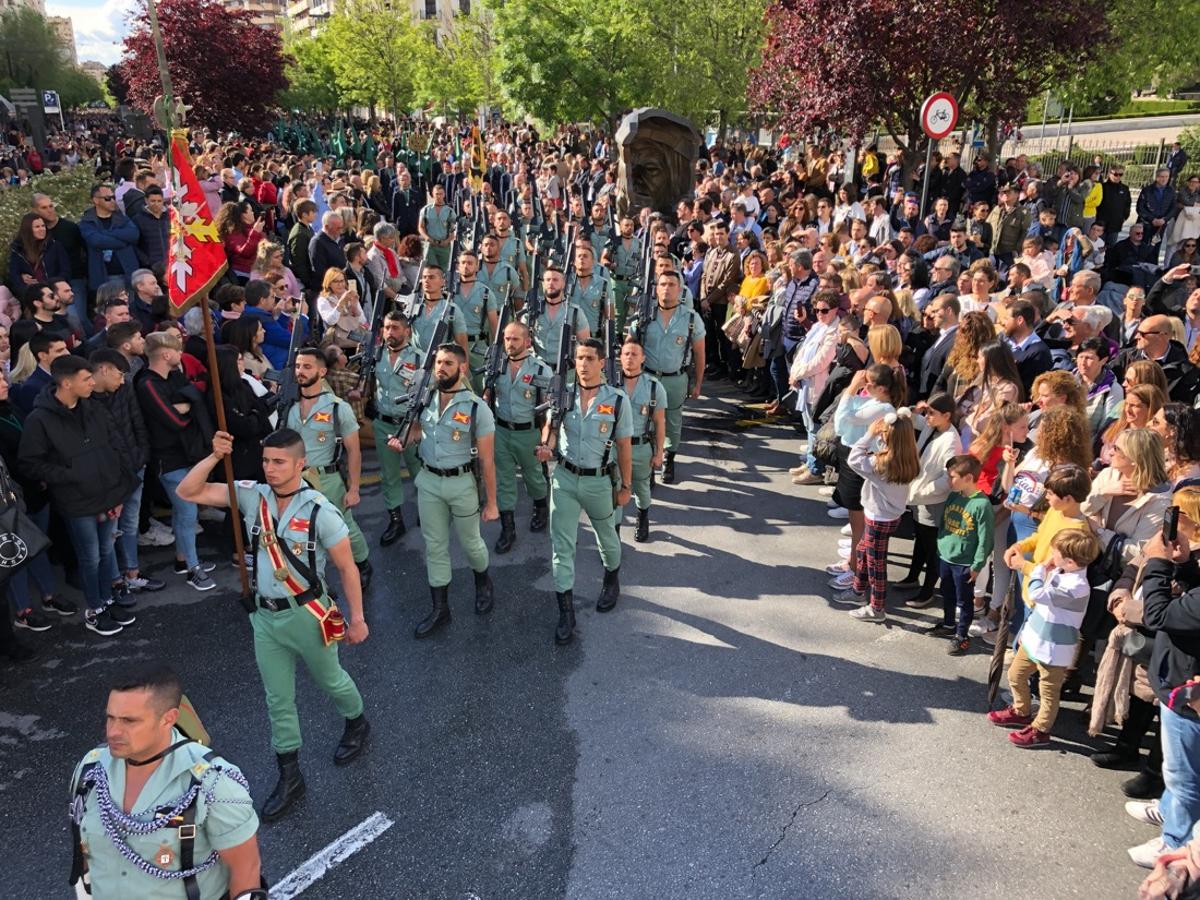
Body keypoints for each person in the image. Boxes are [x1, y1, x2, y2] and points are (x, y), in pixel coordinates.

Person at [176, 429, 370, 822]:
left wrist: (359, 618)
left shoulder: (320, 510)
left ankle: (357, 722)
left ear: (301, 464)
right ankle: (290, 775)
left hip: (308, 613)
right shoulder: (253, 496)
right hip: (265, 618)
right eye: (266, 461)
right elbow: (188, 491)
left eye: (280, 462)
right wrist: (215, 456)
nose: (270, 468)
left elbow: (348, 568)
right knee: (277, 699)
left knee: (331, 680)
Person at [68, 664, 263, 899]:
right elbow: (88, 858)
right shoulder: (90, 769)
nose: (113, 732)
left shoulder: (213, 784)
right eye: (111, 717)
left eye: (129, 721)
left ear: (168, 718)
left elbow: (247, 870)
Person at [19, 355, 136, 636]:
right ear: (66, 383)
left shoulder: (94, 408)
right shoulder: (40, 420)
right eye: (86, 379)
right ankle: (94, 609)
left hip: (108, 494)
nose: (92, 382)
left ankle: (107, 600)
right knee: (91, 557)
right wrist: (69, 475)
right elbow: (29, 463)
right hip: (76, 500)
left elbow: (115, 448)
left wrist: (119, 490)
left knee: (107, 552)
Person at [389, 343, 498, 638]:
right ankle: (441, 610)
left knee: (471, 544)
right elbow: (419, 432)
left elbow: (487, 460)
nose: (441, 368)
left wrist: (492, 503)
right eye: (438, 362)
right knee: (435, 547)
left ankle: (483, 581)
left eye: (448, 363)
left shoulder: (477, 408)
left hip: (462, 484)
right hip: (428, 481)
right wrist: (404, 439)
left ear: (462, 368)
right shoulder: (425, 399)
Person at [535, 338, 632, 644]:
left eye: (590, 358)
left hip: (599, 481)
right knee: (561, 546)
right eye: (579, 358)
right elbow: (550, 431)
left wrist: (626, 486)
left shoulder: (617, 401)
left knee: (607, 536)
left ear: (602, 363)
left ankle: (611, 579)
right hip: (564, 478)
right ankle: (566, 612)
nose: (584, 364)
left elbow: (624, 447)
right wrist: (546, 448)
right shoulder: (561, 394)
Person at [991, 527, 1101, 748]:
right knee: (1015, 674)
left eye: (1055, 551)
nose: (1051, 553)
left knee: (1048, 692)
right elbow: (1040, 608)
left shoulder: (1077, 587)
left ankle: (1041, 730)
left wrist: (1040, 568)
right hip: (1034, 638)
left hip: (1054, 649)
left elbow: (1037, 594)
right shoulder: (1062, 572)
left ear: (1069, 561)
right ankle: (1021, 710)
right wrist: (1025, 631)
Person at [135, 330, 217, 591]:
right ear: (166, 354)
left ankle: (184, 561)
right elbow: (176, 420)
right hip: (168, 459)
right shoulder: (147, 383)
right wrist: (185, 406)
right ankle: (192, 568)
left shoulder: (174, 375)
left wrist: (185, 406)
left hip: (186, 454)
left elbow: (192, 401)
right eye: (179, 350)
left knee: (187, 511)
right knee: (187, 512)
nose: (183, 355)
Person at [284, 347, 372, 588]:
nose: (300, 372)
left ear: (322, 372)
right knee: (303, 531)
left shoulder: (336, 407)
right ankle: (314, 579)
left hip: (328, 479)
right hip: (295, 481)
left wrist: (354, 488)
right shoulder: (287, 404)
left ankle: (362, 564)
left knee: (344, 528)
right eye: (298, 366)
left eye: (307, 367)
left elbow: (354, 450)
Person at [835, 407, 920, 623]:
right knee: (863, 552)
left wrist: (869, 434)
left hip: (878, 518)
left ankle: (877, 608)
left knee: (876, 566)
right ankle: (857, 590)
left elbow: (854, 459)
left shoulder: (881, 463)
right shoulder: (909, 457)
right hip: (891, 515)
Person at [485, 319, 552, 553]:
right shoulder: (496, 366)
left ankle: (541, 508)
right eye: (506, 338)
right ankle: (508, 528)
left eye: (515, 339)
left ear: (527, 342)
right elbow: (487, 398)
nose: (510, 343)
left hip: (528, 433)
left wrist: (544, 440)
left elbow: (548, 409)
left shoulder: (541, 370)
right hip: (502, 432)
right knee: (504, 481)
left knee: (534, 478)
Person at [896, 393, 962, 608]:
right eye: (927, 412)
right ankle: (913, 576)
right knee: (920, 541)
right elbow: (906, 417)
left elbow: (948, 479)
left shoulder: (951, 441)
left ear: (947, 415)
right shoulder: (932, 426)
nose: (927, 417)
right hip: (918, 496)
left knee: (931, 546)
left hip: (933, 501)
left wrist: (922, 493)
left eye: (932, 413)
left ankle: (927, 591)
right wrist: (916, 409)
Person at [639, 271, 705, 484]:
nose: (667, 288)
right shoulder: (645, 315)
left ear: (680, 290)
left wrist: (698, 383)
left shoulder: (691, 318)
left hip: (675, 379)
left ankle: (669, 457)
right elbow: (631, 345)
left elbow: (699, 353)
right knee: (644, 421)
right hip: (647, 377)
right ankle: (648, 463)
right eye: (663, 284)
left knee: (673, 422)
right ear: (656, 288)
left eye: (672, 284)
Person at [927, 453, 995, 654]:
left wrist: (977, 565)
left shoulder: (982, 505)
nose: (949, 481)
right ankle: (949, 624)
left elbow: (986, 539)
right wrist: (941, 544)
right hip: (946, 556)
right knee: (946, 593)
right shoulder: (954, 496)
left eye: (952, 477)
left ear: (968, 478)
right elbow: (945, 524)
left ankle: (962, 635)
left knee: (964, 601)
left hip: (964, 562)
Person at [370, 311, 423, 546]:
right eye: (387, 327)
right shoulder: (376, 354)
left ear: (407, 331)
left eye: (395, 328)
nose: (390, 332)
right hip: (383, 423)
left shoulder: (420, 359)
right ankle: (396, 520)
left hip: (409, 424)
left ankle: (428, 511)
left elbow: (428, 394)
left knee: (419, 471)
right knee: (389, 476)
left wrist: (418, 426)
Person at [617, 336, 665, 542]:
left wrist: (659, 452)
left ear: (643, 358)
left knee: (642, 488)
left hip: (640, 446)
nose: (629, 358)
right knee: (615, 489)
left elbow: (660, 422)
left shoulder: (654, 388)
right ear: (620, 358)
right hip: (615, 448)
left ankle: (643, 518)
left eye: (634, 354)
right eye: (626, 354)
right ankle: (614, 531)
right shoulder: (609, 384)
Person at [79, 183, 140, 293]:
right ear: (96, 200)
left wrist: (106, 232)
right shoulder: (87, 221)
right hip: (105, 276)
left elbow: (133, 234)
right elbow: (97, 241)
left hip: (129, 273)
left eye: (114, 197)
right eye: (108, 198)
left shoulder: (121, 217)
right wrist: (124, 242)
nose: (112, 201)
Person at [419, 182, 456, 270]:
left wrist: (447, 240)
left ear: (444, 194)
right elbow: (421, 227)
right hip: (430, 245)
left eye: (441, 194)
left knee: (444, 270)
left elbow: (454, 229)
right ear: (432, 194)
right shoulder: (426, 210)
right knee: (431, 269)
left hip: (444, 245)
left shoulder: (450, 211)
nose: (438, 196)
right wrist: (427, 238)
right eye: (436, 194)